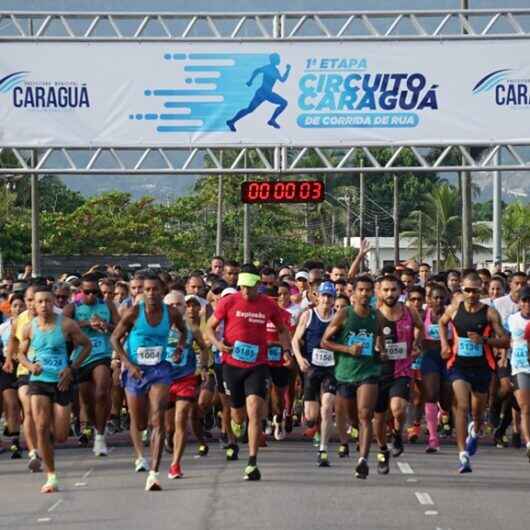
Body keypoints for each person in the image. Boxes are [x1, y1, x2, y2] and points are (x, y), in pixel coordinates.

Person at [205, 264, 292, 481]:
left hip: (257, 364)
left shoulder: (267, 305)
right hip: (232, 364)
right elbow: (209, 326)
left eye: (249, 287)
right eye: (242, 287)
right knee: (237, 414)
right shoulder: (228, 301)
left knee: (254, 410)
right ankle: (236, 425)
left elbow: (282, 330)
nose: (245, 291)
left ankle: (252, 462)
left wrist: (287, 351)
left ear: (258, 286)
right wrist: (218, 343)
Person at [111, 273, 187, 491]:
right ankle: (144, 451)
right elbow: (114, 339)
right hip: (135, 372)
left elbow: (183, 331)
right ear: (142, 292)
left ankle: (153, 474)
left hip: (159, 370)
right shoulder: (134, 312)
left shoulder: (170, 313)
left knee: (158, 419)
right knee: (141, 422)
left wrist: (179, 348)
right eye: (147, 290)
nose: (151, 293)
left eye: (155, 289)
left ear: (162, 292)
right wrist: (128, 363)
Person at [17, 286, 91, 493]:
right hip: (38, 381)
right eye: (39, 302)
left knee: (60, 435)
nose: (43, 305)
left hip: (61, 382)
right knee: (41, 426)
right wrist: (30, 366)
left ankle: (47, 443)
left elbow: (86, 346)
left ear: (54, 304)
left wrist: (71, 368)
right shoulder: (28, 328)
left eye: (48, 301)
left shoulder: (67, 324)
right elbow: (20, 354)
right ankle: (51, 476)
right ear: (32, 304)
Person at [439, 271, 509, 473]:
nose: (471, 294)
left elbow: (504, 340)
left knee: (477, 412)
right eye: (467, 290)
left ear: (481, 290)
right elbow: (442, 323)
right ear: (462, 289)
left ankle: (475, 430)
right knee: (461, 405)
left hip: (481, 367)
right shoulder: (454, 309)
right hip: (458, 365)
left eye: (475, 290)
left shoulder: (489, 313)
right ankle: (463, 454)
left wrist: (484, 340)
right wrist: (445, 344)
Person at [321, 276, 382, 479]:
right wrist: (347, 348)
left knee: (365, 415)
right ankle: (356, 435)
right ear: (353, 293)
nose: (365, 294)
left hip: (369, 371)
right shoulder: (344, 315)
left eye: (368, 290)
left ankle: (362, 461)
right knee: (353, 417)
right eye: (361, 290)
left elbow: (380, 340)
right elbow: (325, 342)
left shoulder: (376, 316)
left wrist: (380, 350)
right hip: (345, 373)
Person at [63, 274, 119, 456]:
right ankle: (94, 426)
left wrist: (105, 325)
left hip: (101, 354)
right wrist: (87, 323)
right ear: (80, 292)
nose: (92, 296)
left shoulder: (107, 305)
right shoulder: (73, 307)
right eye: (87, 292)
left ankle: (101, 437)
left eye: (95, 292)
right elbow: (63, 326)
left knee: (102, 390)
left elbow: (120, 327)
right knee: (87, 401)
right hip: (80, 358)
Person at [373, 275, 423, 473]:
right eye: (385, 290)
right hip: (377, 372)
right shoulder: (374, 315)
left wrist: (417, 344)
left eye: (393, 289)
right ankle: (382, 450)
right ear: (379, 292)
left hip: (402, 369)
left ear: (400, 291)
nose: (389, 294)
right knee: (377, 417)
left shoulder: (410, 312)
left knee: (398, 409)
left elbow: (421, 328)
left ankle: (396, 433)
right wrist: (376, 347)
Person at [292, 281, 337, 467]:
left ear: (334, 299)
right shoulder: (308, 315)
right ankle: (305, 409)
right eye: (324, 295)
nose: (326, 299)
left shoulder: (338, 318)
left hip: (331, 369)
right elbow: (295, 340)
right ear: (317, 296)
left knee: (326, 409)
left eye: (330, 296)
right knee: (311, 418)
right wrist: (300, 359)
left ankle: (323, 449)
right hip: (312, 368)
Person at [0, 293, 25, 459]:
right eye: (15, 305)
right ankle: (15, 440)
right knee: (11, 403)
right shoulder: (2, 328)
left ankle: (22, 436)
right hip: (7, 367)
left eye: (21, 305)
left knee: (25, 406)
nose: (18, 308)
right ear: (10, 308)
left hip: (26, 365)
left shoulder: (32, 324)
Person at [507, 286, 530, 462]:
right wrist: (501, 359)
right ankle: (529, 443)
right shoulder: (512, 320)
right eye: (525, 300)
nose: (527, 304)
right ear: (519, 302)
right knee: (525, 407)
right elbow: (506, 340)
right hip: (519, 366)